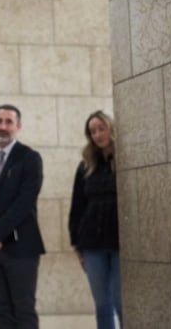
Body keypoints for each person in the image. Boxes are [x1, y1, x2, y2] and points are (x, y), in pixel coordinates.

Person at [0, 104, 45, 329]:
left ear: (18, 126)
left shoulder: (30, 158)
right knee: (2, 311)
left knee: (23, 310)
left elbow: (25, 202)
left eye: (8, 122)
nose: (3, 127)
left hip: (21, 247)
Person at [67, 110, 122, 329]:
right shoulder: (86, 165)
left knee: (120, 301)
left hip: (119, 243)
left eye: (101, 129)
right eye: (93, 132)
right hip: (92, 245)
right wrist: (76, 245)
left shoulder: (124, 161)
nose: (98, 135)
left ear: (111, 129)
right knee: (102, 304)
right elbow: (77, 207)